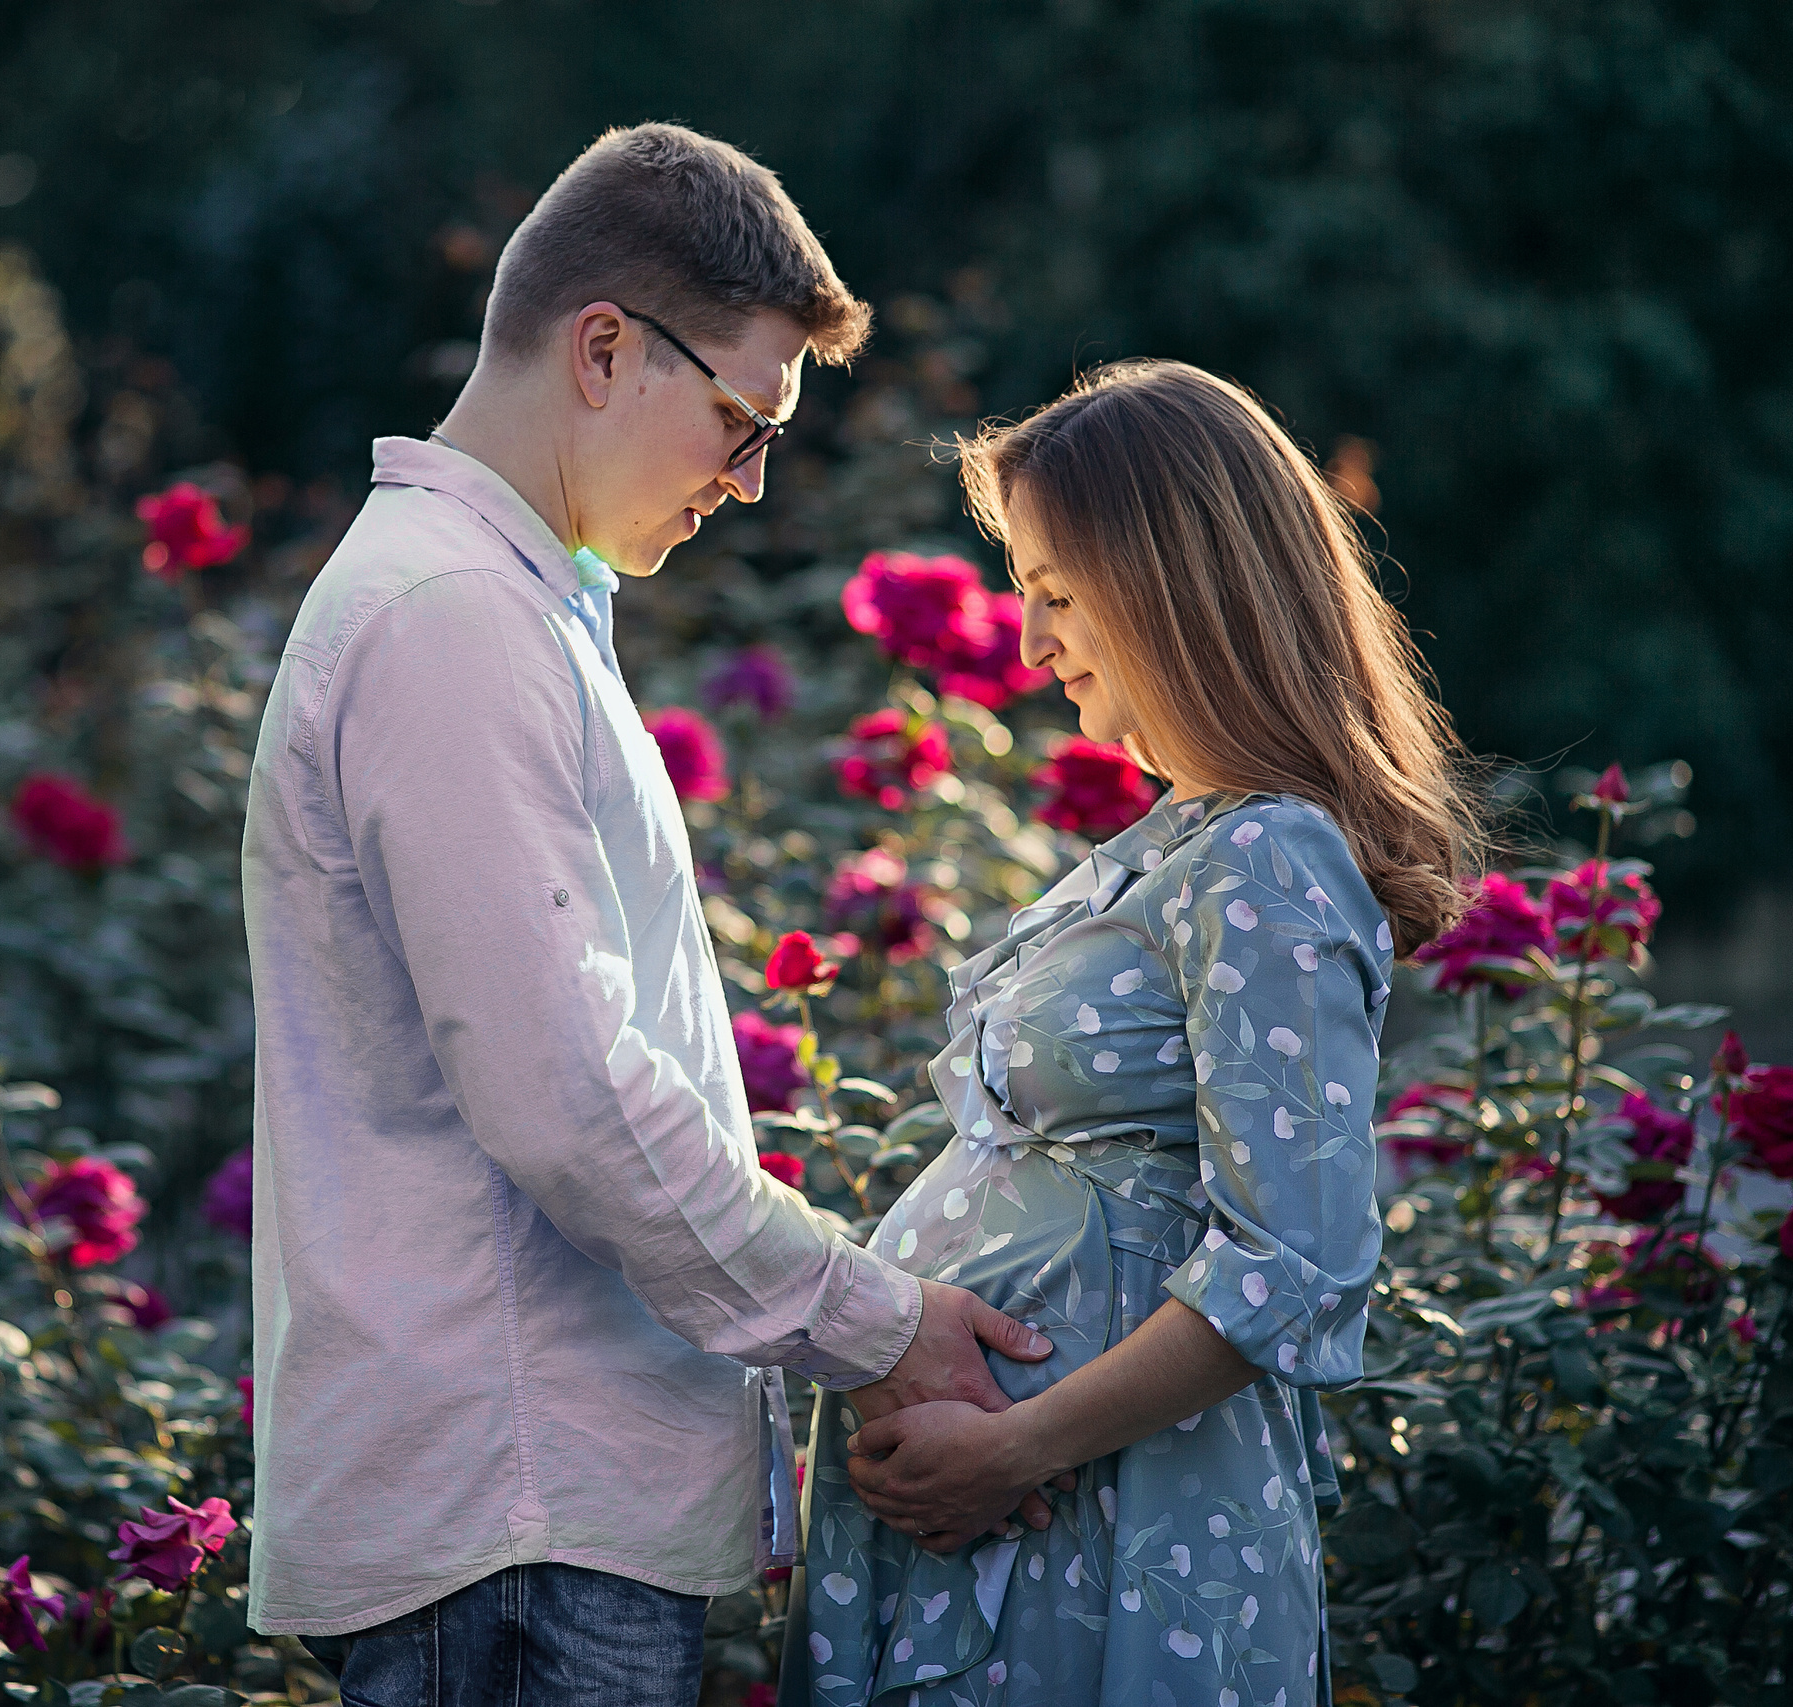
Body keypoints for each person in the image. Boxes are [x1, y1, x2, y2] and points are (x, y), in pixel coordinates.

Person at [239, 123, 1059, 1705]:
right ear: (605, 349)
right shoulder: (452, 619)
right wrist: (865, 1318)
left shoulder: (510, 602)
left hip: (532, 1507)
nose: (749, 484)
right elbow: (569, 1097)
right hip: (516, 1516)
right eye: (742, 423)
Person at [784, 360, 1484, 1707]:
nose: (1034, 642)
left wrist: (1016, 1448)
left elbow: (1294, 1263)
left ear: (1175, 584)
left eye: (1055, 594)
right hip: (1041, 1519)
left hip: (1113, 1526)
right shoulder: (1174, 847)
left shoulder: (1269, 857)